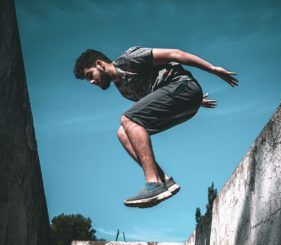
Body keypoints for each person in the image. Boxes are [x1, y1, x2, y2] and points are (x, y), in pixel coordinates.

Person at [73, 46, 238, 208]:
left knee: (128, 119)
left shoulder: (129, 59)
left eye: (90, 75)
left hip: (183, 86)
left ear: (100, 64)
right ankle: (164, 181)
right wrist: (191, 102)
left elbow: (175, 54)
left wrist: (213, 69)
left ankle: (153, 183)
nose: (92, 82)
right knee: (123, 132)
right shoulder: (124, 90)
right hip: (184, 102)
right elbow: (155, 104)